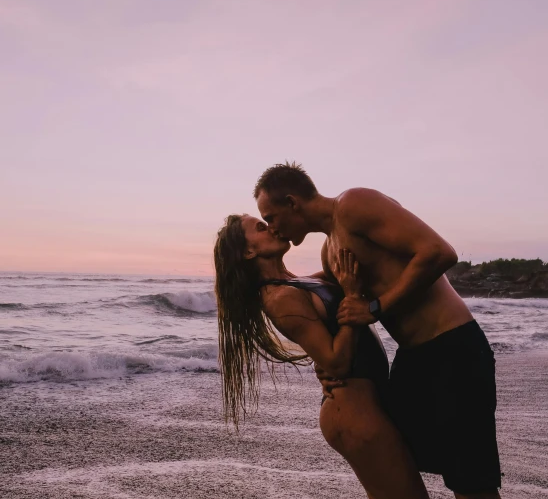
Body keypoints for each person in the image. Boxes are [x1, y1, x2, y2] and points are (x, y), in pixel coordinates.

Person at [254, 162, 502, 499]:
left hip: (452, 349)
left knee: (471, 483)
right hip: (412, 361)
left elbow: (439, 252)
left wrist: (375, 308)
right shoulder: (331, 250)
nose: (273, 228)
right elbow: (322, 294)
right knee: (400, 472)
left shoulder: (355, 205)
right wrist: (323, 359)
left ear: (292, 202)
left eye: (270, 217)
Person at [213, 213, 430, 499]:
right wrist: (352, 297)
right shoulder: (279, 298)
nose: (273, 229)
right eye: (261, 228)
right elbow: (336, 362)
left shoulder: (297, 282)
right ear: (249, 251)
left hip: (365, 403)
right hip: (352, 411)